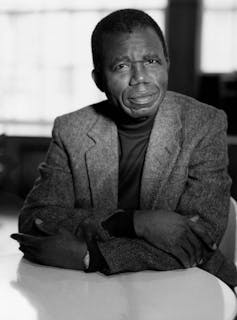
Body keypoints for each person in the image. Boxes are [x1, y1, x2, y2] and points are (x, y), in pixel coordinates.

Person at [11, 8, 237, 287]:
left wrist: (91, 255)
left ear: (167, 63)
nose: (140, 77)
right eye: (121, 66)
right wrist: (133, 222)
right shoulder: (71, 130)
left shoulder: (204, 123)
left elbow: (200, 240)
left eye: (152, 61)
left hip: (189, 284)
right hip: (92, 292)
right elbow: (37, 219)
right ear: (99, 80)